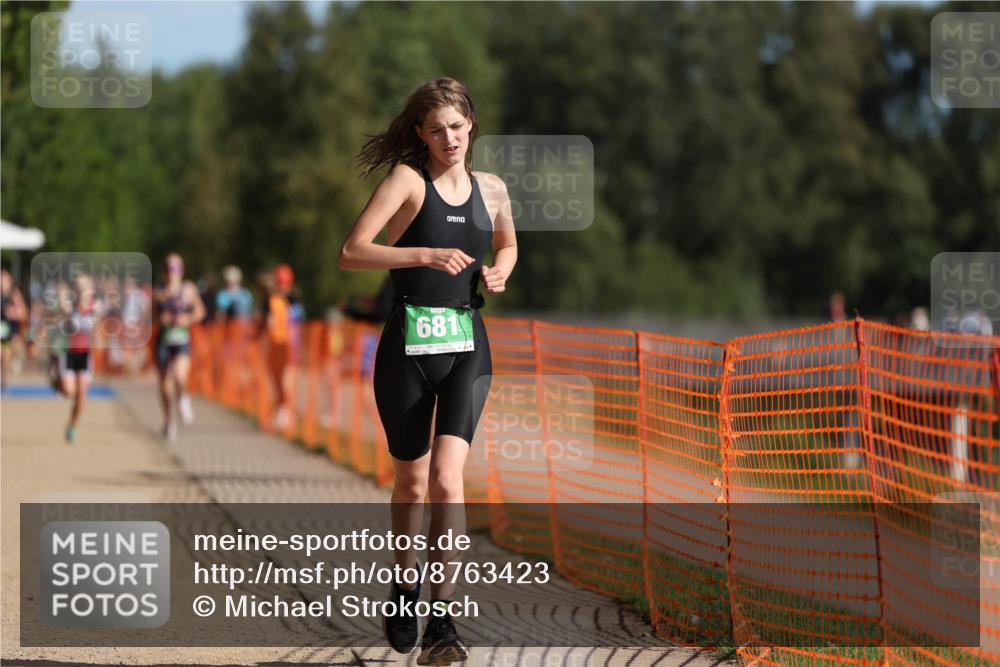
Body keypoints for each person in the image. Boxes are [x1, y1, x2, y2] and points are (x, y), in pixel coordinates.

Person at [339, 77, 517, 664]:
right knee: (411, 484)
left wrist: (500, 272)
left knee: (447, 480)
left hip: (468, 344)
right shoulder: (407, 182)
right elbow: (353, 251)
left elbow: (507, 246)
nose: (449, 138)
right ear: (420, 132)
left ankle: (443, 619)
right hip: (407, 349)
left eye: (458, 127)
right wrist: (423, 254)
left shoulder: (492, 189)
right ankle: (405, 585)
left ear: (472, 127)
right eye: (437, 128)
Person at [153, 253, 206, 441]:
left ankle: (183, 400)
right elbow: (150, 316)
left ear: (181, 271)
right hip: (164, 341)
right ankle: (168, 422)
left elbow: (201, 311)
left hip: (182, 340)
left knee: (179, 375)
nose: (171, 273)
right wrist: (160, 319)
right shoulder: (158, 292)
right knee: (165, 386)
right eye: (168, 268)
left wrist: (188, 319)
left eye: (174, 268)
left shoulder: (189, 289)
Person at [58, 273, 103, 443]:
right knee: (69, 391)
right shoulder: (70, 306)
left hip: (85, 353)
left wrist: (98, 338)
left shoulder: (95, 308)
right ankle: (56, 381)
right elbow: (61, 314)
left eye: (84, 285)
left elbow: (98, 331)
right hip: (69, 352)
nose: (81, 289)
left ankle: (72, 426)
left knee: (81, 396)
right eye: (77, 285)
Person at [260, 263, 304, 429]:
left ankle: (285, 412)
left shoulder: (292, 300)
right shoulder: (272, 299)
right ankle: (280, 410)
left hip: (287, 346)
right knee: (277, 378)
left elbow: (295, 323)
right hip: (275, 345)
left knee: (285, 379)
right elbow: (267, 321)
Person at [1, 268, 28, 392]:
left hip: (8, 331)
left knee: (5, 359)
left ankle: (5, 383)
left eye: (4, 279)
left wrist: (11, 313)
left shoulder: (14, 294)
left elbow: (23, 313)